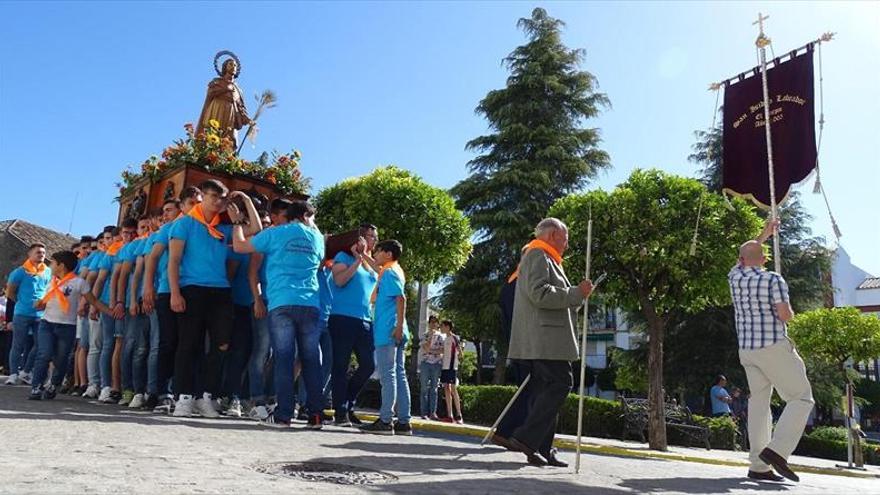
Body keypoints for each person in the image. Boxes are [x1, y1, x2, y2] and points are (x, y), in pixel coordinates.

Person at [729, 218, 814, 483]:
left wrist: (764, 234)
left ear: (742, 260)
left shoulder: (734, 277)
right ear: (764, 259)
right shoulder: (773, 280)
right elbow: (785, 315)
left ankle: (758, 465)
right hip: (773, 346)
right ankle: (777, 451)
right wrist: (791, 312)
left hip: (748, 350)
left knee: (759, 404)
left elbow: (747, 255)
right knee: (801, 398)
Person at [504, 218, 593, 467]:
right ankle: (526, 438)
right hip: (544, 339)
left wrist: (579, 295)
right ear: (554, 234)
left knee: (548, 391)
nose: (567, 243)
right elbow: (539, 293)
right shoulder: (537, 255)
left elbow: (559, 299)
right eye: (565, 238)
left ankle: (541, 448)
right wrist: (576, 292)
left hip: (548, 338)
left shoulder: (548, 258)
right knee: (561, 384)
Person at [231, 198, 325, 429]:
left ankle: (284, 416)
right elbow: (321, 261)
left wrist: (237, 224)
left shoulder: (277, 233)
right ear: (306, 216)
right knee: (311, 361)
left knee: (283, 359)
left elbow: (240, 247)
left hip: (281, 303)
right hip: (311, 304)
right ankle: (315, 416)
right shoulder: (317, 238)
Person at [168, 179, 234, 418]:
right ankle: (183, 397)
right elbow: (173, 261)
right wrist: (175, 292)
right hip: (192, 288)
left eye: (222, 198)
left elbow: (253, 230)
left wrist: (241, 205)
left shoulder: (224, 228)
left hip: (221, 290)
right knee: (189, 343)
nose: (217, 202)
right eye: (213, 197)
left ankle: (205, 396)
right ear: (202, 197)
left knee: (222, 343)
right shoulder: (184, 224)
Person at [142, 189, 201, 414]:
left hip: (193, 290)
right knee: (167, 343)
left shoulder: (203, 229)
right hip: (167, 290)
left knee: (188, 344)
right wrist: (149, 288)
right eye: (191, 203)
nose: (195, 207)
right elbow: (152, 258)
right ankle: (159, 392)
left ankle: (183, 393)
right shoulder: (168, 229)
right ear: (182, 208)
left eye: (199, 203)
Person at [29, 251, 112, 400]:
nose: (50, 265)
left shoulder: (79, 282)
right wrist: (39, 304)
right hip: (47, 324)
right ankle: (36, 386)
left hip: (67, 326)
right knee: (44, 354)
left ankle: (54, 384)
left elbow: (94, 301)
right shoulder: (51, 281)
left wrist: (110, 312)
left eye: (53, 262)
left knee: (61, 359)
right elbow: (43, 302)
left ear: (61, 265)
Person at [328, 223, 380, 427]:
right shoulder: (343, 257)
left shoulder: (371, 263)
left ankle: (347, 404)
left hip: (365, 320)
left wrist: (364, 258)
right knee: (340, 366)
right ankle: (341, 413)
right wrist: (357, 260)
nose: (373, 240)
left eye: (375, 237)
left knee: (368, 365)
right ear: (359, 237)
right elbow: (339, 281)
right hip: (342, 318)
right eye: (370, 236)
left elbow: (379, 275)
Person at [360, 240, 411, 436]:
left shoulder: (389, 273)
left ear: (388, 254)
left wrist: (397, 327)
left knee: (388, 374)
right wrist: (363, 256)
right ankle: (404, 422)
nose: (375, 254)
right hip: (395, 330)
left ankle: (385, 420)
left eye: (379, 251)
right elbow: (375, 266)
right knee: (399, 374)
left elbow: (401, 298)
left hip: (388, 331)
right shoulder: (391, 269)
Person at [5, 243, 52, 386]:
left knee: (40, 345)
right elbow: (10, 292)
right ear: (29, 255)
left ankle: (25, 371)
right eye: (38, 252)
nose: (41, 255)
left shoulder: (48, 271)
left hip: (40, 314)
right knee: (17, 344)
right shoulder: (20, 271)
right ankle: (13, 374)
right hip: (22, 313)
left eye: (43, 252)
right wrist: (21, 302)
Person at [116, 216, 151, 406]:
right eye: (142, 226)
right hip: (135, 302)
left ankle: (146, 389)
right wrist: (124, 301)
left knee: (150, 348)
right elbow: (124, 276)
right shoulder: (136, 246)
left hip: (157, 300)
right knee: (132, 346)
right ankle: (129, 389)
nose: (146, 229)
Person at [418, 315, 444, 420]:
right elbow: (425, 347)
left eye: (435, 322)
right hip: (425, 363)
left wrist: (431, 351)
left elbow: (443, 350)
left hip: (437, 364)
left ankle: (433, 413)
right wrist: (430, 338)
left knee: (434, 389)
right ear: (429, 323)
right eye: (431, 322)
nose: (433, 324)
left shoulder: (441, 336)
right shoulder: (425, 335)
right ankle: (424, 413)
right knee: (424, 388)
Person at [439, 319, 463, 424]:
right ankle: (450, 415)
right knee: (446, 389)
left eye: (442, 326)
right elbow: (443, 351)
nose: (441, 328)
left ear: (448, 327)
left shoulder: (454, 338)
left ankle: (459, 415)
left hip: (452, 367)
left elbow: (460, 352)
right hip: (445, 366)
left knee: (453, 389)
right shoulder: (446, 339)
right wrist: (430, 350)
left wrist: (458, 357)